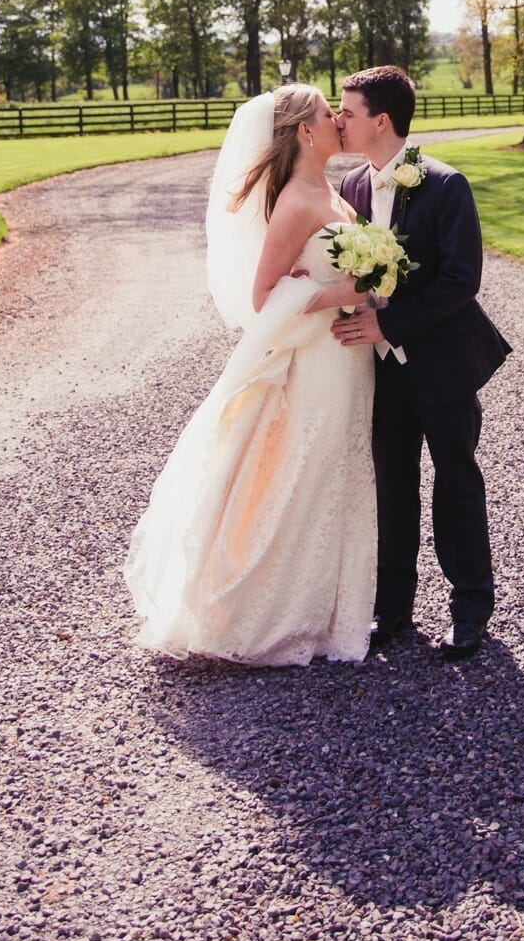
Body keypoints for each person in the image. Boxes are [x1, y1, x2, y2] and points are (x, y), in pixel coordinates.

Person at [124, 85, 376, 665]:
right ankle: (266, 614)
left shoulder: (329, 190)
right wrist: (341, 292)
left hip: (345, 358)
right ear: (305, 133)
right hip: (316, 359)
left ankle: (322, 609)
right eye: (324, 113)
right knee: (300, 472)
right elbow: (265, 295)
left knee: (331, 473)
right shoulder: (295, 200)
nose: (337, 118)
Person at [332, 65, 510, 661]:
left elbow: (463, 280)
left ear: (381, 121)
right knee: (392, 485)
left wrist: (388, 322)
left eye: (348, 111)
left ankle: (470, 609)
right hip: (381, 371)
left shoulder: (444, 184)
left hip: (442, 365)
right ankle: (394, 608)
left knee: (457, 483)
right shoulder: (353, 188)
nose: (339, 120)